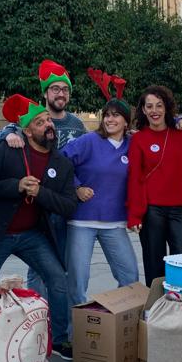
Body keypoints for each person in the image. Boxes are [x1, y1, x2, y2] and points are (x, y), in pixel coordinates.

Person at [0, 94, 78, 360]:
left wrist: (41, 192)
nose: (48, 125)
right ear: (27, 130)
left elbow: (68, 205)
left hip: (32, 235)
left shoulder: (62, 163)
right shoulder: (9, 150)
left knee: (57, 278)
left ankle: (59, 339)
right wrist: (16, 186)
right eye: (40, 121)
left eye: (49, 120)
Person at [62, 94, 139, 305]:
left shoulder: (132, 144)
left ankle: (121, 323)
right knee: (78, 281)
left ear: (126, 121)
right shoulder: (89, 141)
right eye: (107, 115)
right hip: (82, 222)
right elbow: (60, 162)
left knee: (130, 276)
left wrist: (179, 122)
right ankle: (73, 332)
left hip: (115, 223)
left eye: (116, 116)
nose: (110, 119)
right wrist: (76, 187)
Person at [127, 85, 182, 286]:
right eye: (149, 106)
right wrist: (134, 215)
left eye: (159, 106)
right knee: (154, 264)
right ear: (143, 110)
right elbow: (135, 178)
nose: (154, 111)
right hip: (152, 211)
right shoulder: (138, 139)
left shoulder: (181, 134)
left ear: (166, 108)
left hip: (180, 209)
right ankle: (156, 308)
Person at [0, 59, 86, 152]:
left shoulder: (78, 124)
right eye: (55, 89)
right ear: (45, 93)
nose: (61, 94)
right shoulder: (33, 119)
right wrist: (8, 135)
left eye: (65, 89)